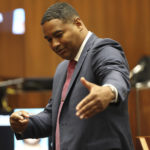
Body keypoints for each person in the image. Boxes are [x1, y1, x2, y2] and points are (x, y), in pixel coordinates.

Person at [10, 2, 134, 150]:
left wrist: (108, 91)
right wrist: (23, 124)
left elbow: (116, 73)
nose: (54, 44)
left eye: (59, 35)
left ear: (78, 23)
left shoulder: (103, 49)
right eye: (49, 39)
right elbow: (53, 117)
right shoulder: (62, 69)